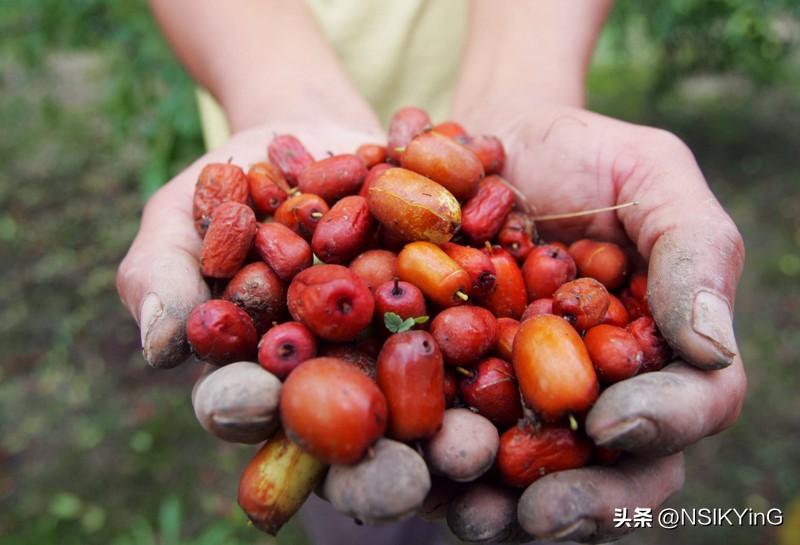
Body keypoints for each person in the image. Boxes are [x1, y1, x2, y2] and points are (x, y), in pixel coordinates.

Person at [116, 1, 746, 543]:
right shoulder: (350, 230)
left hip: (487, 99)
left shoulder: (458, 246)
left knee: (467, 477)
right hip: (279, 85)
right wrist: (273, 95)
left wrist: (528, 96)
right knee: (369, 491)